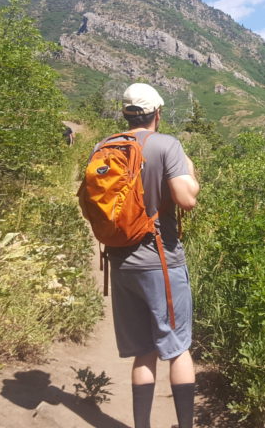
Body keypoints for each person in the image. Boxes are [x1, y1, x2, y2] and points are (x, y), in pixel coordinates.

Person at [107, 82, 200, 428]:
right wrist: (188, 168)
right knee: (177, 348)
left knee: (144, 350)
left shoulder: (107, 146)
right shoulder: (166, 145)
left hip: (120, 262)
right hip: (161, 262)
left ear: (126, 113)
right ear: (157, 114)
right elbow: (187, 200)